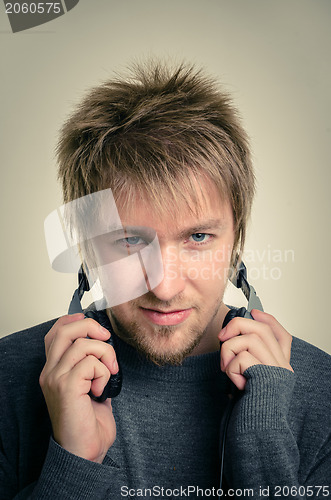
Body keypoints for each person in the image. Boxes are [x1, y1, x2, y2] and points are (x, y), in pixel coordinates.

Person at [0, 61, 330, 500]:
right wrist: (75, 463)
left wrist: (265, 446)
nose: (165, 287)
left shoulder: (321, 394)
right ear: (86, 246)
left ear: (237, 241)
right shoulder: (8, 379)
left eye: (198, 237)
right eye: (129, 241)